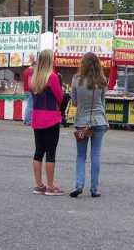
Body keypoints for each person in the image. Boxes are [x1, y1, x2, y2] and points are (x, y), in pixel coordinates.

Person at [70, 52, 108, 198]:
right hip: (99, 121)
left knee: (80, 155)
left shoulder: (76, 79)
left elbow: (74, 102)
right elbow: (103, 102)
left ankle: (79, 185)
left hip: (81, 122)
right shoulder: (102, 80)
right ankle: (94, 189)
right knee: (96, 155)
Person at [30, 49, 64, 196]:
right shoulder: (53, 77)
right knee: (51, 152)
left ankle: (38, 184)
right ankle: (50, 185)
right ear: (50, 61)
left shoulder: (33, 77)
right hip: (51, 118)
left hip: (37, 117)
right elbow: (60, 97)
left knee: (38, 151)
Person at [22, 60, 36, 126]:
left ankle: (25, 120)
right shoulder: (32, 71)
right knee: (30, 106)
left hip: (25, 90)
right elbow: (30, 81)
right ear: (34, 65)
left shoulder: (26, 70)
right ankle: (28, 120)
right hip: (30, 90)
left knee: (28, 105)